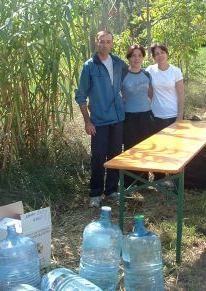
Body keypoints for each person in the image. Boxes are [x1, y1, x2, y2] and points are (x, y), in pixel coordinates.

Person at [75, 31, 128, 208]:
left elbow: (130, 80)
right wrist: (87, 121)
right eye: (102, 42)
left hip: (118, 118)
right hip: (98, 120)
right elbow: (81, 96)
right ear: (97, 43)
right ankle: (95, 193)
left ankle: (111, 190)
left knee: (115, 155)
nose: (105, 45)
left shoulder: (119, 63)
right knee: (98, 157)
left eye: (108, 42)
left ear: (112, 44)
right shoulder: (89, 66)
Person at [146, 44, 185, 184]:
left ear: (167, 54)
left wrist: (179, 117)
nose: (160, 55)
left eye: (162, 52)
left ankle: (175, 179)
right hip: (156, 116)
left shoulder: (175, 71)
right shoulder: (150, 71)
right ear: (153, 57)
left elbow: (181, 95)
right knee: (158, 149)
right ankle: (159, 178)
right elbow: (148, 91)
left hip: (173, 116)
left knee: (174, 148)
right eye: (156, 53)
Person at [121, 44, 153, 187]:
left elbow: (150, 94)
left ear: (143, 57)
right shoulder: (123, 75)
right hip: (129, 117)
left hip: (145, 116)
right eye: (133, 55)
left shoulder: (147, 74)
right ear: (129, 58)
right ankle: (129, 183)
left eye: (140, 55)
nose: (136, 58)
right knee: (130, 149)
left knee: (144, 148)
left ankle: (143, 181)